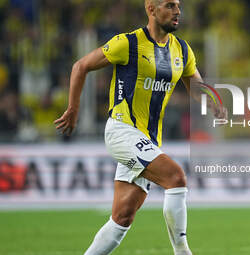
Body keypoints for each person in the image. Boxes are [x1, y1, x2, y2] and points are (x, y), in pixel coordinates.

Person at [54, 0, 225, 254]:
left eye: (178, 5)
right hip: (121, 131)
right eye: (169, 5)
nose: (177, 11)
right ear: (151, 9)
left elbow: (196, 87)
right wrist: (73, 109)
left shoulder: (182, 50)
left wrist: (214, 101)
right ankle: (183, 252)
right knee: (176, 178)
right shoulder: (128, 43)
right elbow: (81, 66)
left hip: (147, 140)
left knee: (122, 218)